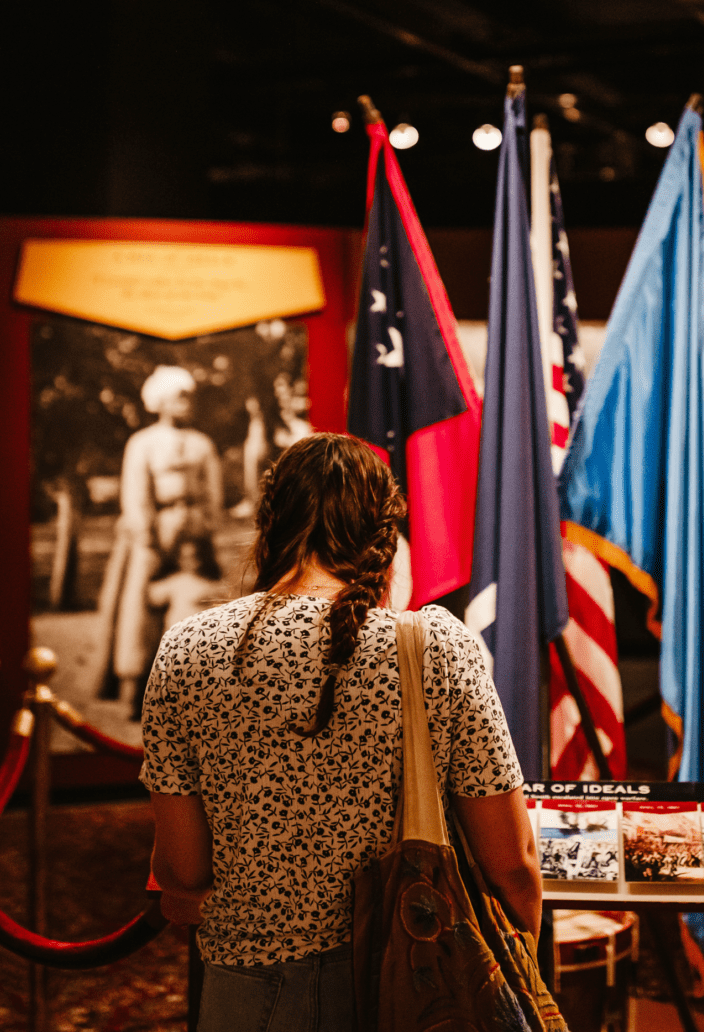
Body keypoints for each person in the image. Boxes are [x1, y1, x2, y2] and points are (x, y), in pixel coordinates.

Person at [140, 433, 540, 1032]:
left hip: (246, 996)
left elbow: (184, 874)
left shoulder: (186, 650)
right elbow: (511, 862)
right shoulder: (436, 649)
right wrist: (523, 968)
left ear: (268, 527)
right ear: (387, 539)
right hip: (412, 984)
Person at [93, 365, 222, 710]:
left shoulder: (202, 444)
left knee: (197, 600)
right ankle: (133, 684)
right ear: (161, 401)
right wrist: (146, 535)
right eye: (180, 397)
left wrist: (205, 526)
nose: (187, 403)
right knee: (139, 604)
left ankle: (192, 684)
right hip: (154, 528)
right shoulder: (143, 442)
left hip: (193, 529)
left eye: (189, 397)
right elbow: (135, 493)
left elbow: (213, 491)